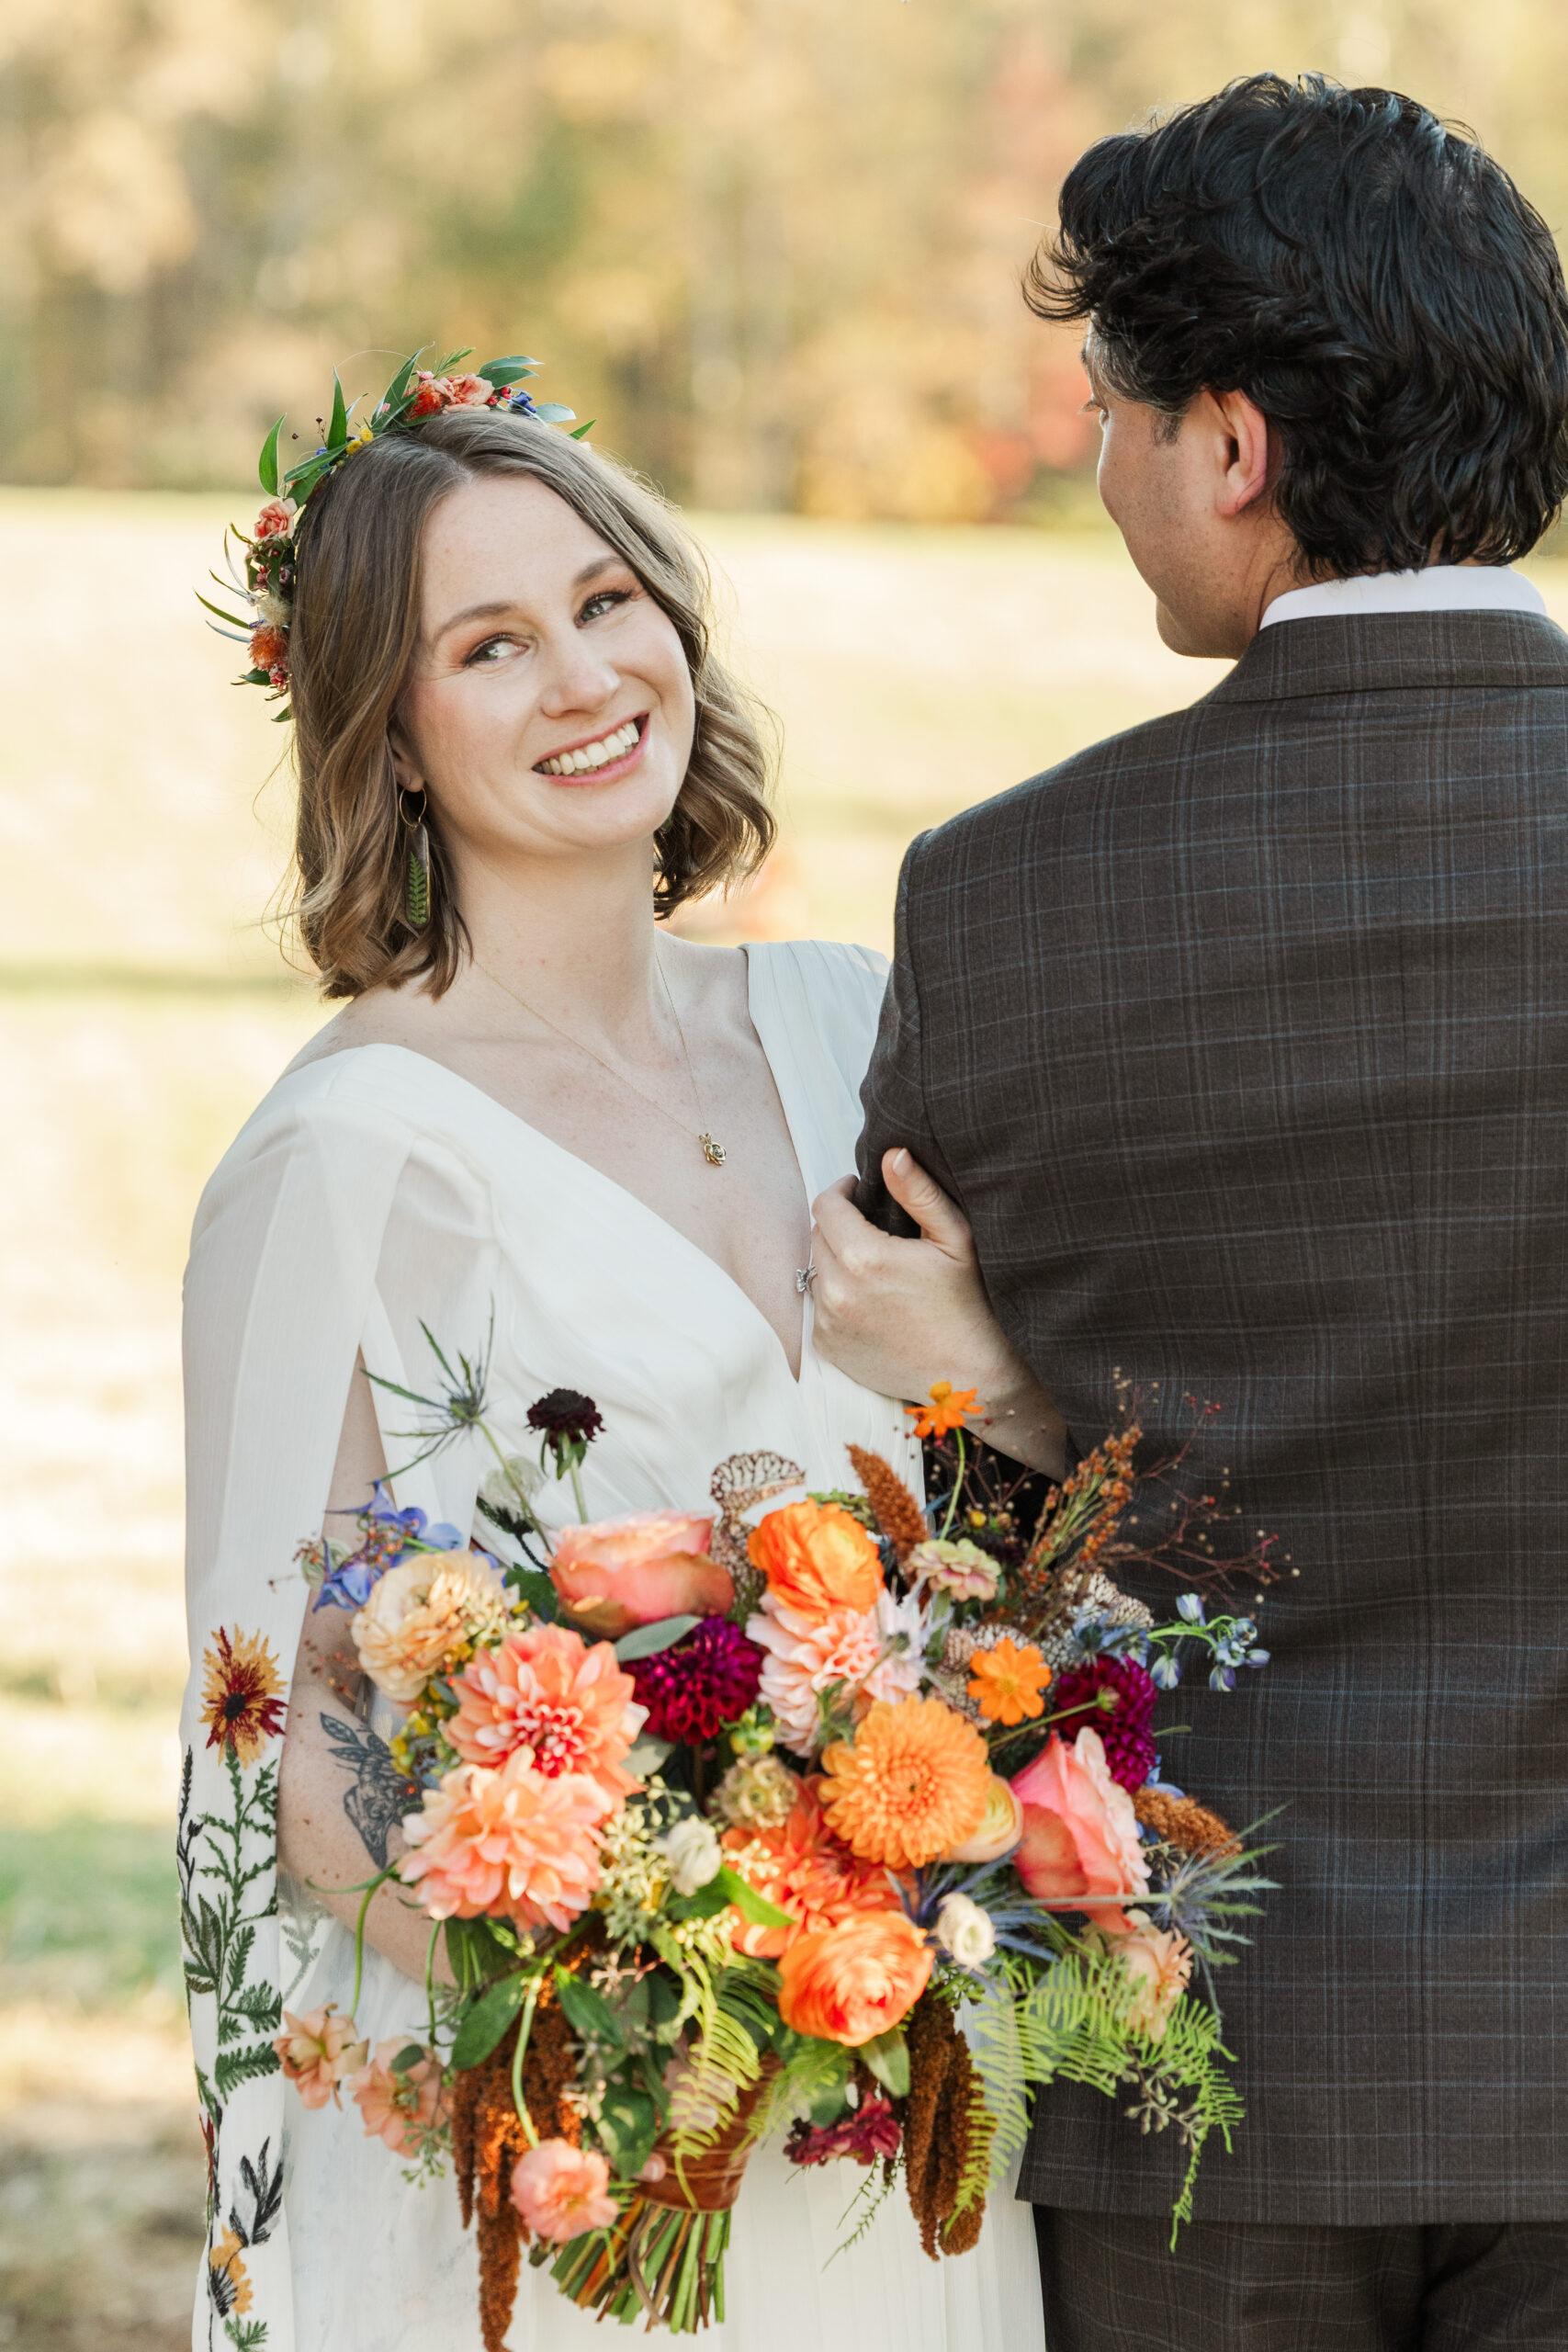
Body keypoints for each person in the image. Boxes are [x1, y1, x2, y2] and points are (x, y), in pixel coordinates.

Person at [810, 74, 1568, 2352]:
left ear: (1229, 447)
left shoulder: (1004, 894)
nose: (1109, 476)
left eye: (1115, 417)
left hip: (1196, 2067)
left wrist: (996, 1392)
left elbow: (964, 1560)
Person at [177, 398, 1057, 2350]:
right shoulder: (344, 1159)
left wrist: (986, 1377)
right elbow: (294, 1752)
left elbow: (1028, 1550)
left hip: (909, 2107)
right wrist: (657, 1995)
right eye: (487, 645)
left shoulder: (859, 1020)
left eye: (604, 599)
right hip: (588, 2150)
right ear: (382, 732)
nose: (584, 675)